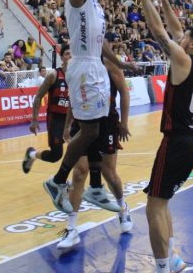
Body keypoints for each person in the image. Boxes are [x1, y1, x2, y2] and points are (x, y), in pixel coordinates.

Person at [42, 0, 128, 214]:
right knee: (90, 130)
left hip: (95, 66)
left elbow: (99, 41)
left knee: (98, 126)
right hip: (83, 68)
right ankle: (58, 180)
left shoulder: (94, 4)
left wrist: (119, 62)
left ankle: (93, 186)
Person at [135, 0, 193, 273]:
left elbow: (159, 31)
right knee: (162, 202)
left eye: (185, 37)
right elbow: (176, 29)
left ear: (190, 44)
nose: (180, 37)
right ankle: (173, 259)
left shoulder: (182, 59)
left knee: (153, 206)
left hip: (176, 141)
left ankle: (162, 266)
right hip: (191, 141)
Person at [56, 56, 134, 250]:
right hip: (83, 120)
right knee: (79, 172)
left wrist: (124, 122)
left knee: (109, 172)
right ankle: (71, 228)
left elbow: (124, 93)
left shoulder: (110, 64)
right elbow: (74, 98)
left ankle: (122, 207)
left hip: (107, 121)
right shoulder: (77, 64)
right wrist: (67, 126)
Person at [23, 45, 72, 172]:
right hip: (56, 118)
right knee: (56, 155)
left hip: (72, 118)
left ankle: (66, 179)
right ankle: (32, 154)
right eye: (67, 54)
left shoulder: (78, 75)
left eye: (72, 54)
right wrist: (34, 119)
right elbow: (39, 96)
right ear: (62, 57)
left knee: (80, 150)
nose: (70, 56)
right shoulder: (54, 75)